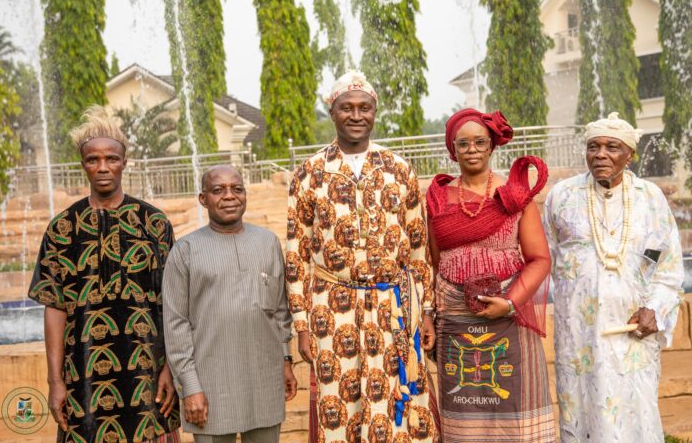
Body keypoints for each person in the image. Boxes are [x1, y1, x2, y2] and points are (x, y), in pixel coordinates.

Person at [287, 70, 438, 442]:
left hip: (395, 307)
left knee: (401, 402)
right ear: (332, 113)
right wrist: (303, 325)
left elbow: (418, 249)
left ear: (374, 112)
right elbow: (297, 255)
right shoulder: (309, 175)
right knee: (342, 403)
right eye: (347, 108)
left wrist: (428, 313)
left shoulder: (399, 170)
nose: (356, 115)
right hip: (332, 310)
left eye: (364, 108)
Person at [28, 106, 180, 442]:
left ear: (124, 162)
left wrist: (172, 367)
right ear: (83, 164)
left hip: (148, 374)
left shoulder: (154, 223)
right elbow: (54, 309)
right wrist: (55, 382)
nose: (102, 167)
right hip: (83, 377)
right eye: (93, 159)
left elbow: (173, 304)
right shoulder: (62, 228)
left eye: (111, 158)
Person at [543, 112, 684, 442]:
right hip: (579, 334)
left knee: (636, 412)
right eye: (593, 146)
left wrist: (656, 310)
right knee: (579, 411)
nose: (600, 154)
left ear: (630, 154)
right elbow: (540, 259)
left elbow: (670, 268)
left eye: (612, 147)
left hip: (631, 332)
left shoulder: (650, 199)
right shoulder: (561, 197)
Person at [425, 108, 557, 442]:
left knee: (513, 413)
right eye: (463, 143)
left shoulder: (513, 196)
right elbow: (434, 263)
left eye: (479, 141)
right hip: (455, 320)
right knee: (464, 411)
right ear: (451, 149)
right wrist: (429, 313)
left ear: (491, 146)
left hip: (508, 320)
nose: (472, 149)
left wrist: (510, 303)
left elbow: (540, 259)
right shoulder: (438, 199)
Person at [162, 165, 296, 443]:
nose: (229, 196)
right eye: (218, 190)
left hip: (264, 382)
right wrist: (190, 386)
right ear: (203, 199)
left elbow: (280, 311)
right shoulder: (185, 251)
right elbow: (175, 325)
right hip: (210, 387)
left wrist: (286, 360)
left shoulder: (268, 243)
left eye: (237, 189)